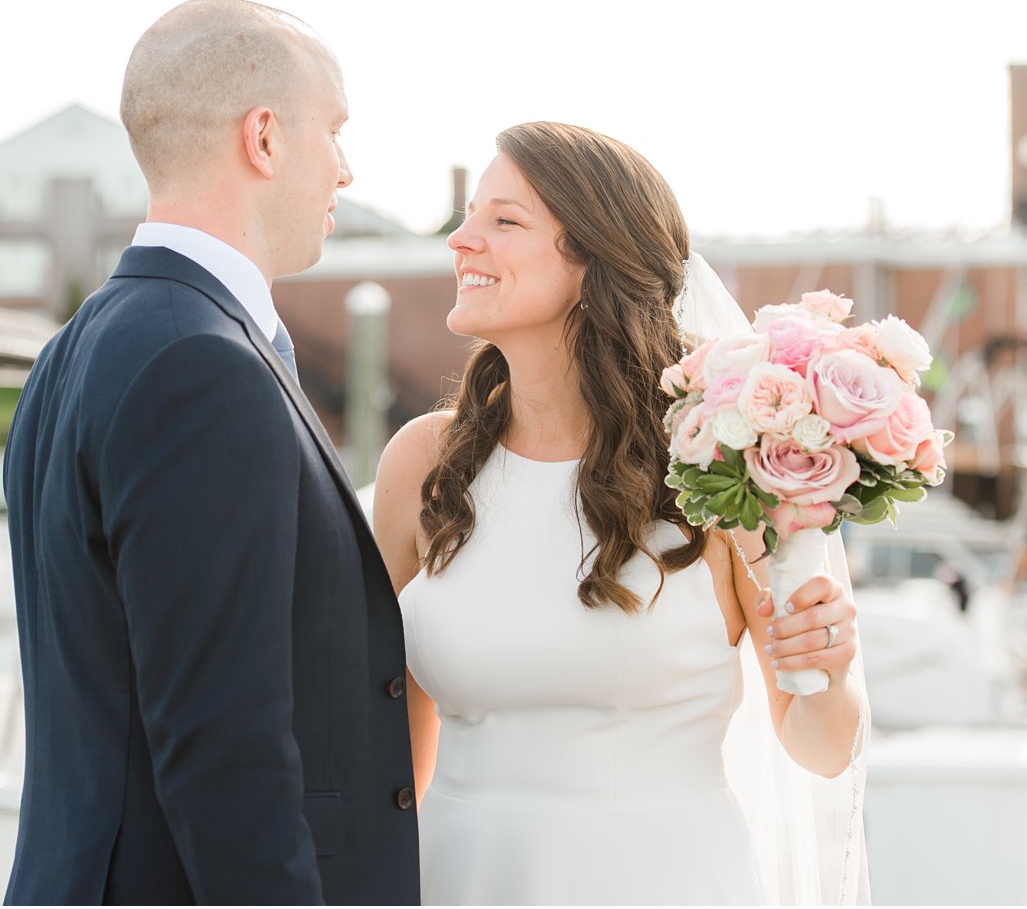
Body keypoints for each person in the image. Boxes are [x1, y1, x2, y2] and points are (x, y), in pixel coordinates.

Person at [372, 121, 868, 905]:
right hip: (459, 878)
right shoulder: (421, 464)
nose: (460, 240)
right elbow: (386, 741)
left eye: (503, 220)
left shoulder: (721, 465)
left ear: (595, 259)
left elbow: (822, 745)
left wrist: (828, 669)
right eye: (471, 216)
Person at [3, 0, 419, 905]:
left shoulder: (75, 349)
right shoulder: (204, 366)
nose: (346, 170)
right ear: (264, 139)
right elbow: (225, 745)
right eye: (336, 132)